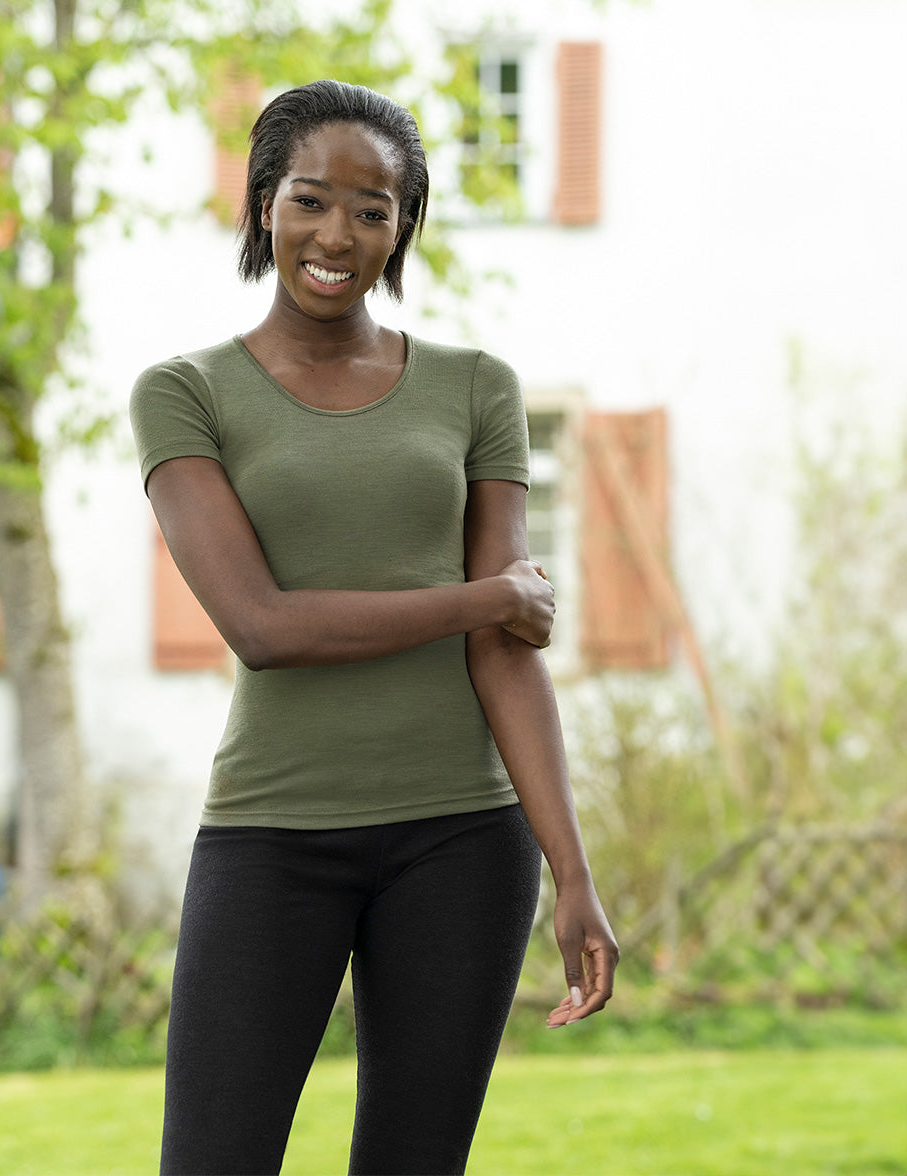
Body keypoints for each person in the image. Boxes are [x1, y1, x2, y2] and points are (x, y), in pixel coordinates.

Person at [129, 79, 618, 1176]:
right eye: (311, 199)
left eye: (372, 208)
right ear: (264, 205)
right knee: (212, 1159)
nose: (337, 234)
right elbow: (264, 625)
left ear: (405, 226)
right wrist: (483, 595)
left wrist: (574, 875)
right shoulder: (184, 393)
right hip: (271, 834)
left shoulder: (474, 386)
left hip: (465, 840)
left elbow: (509, 655)